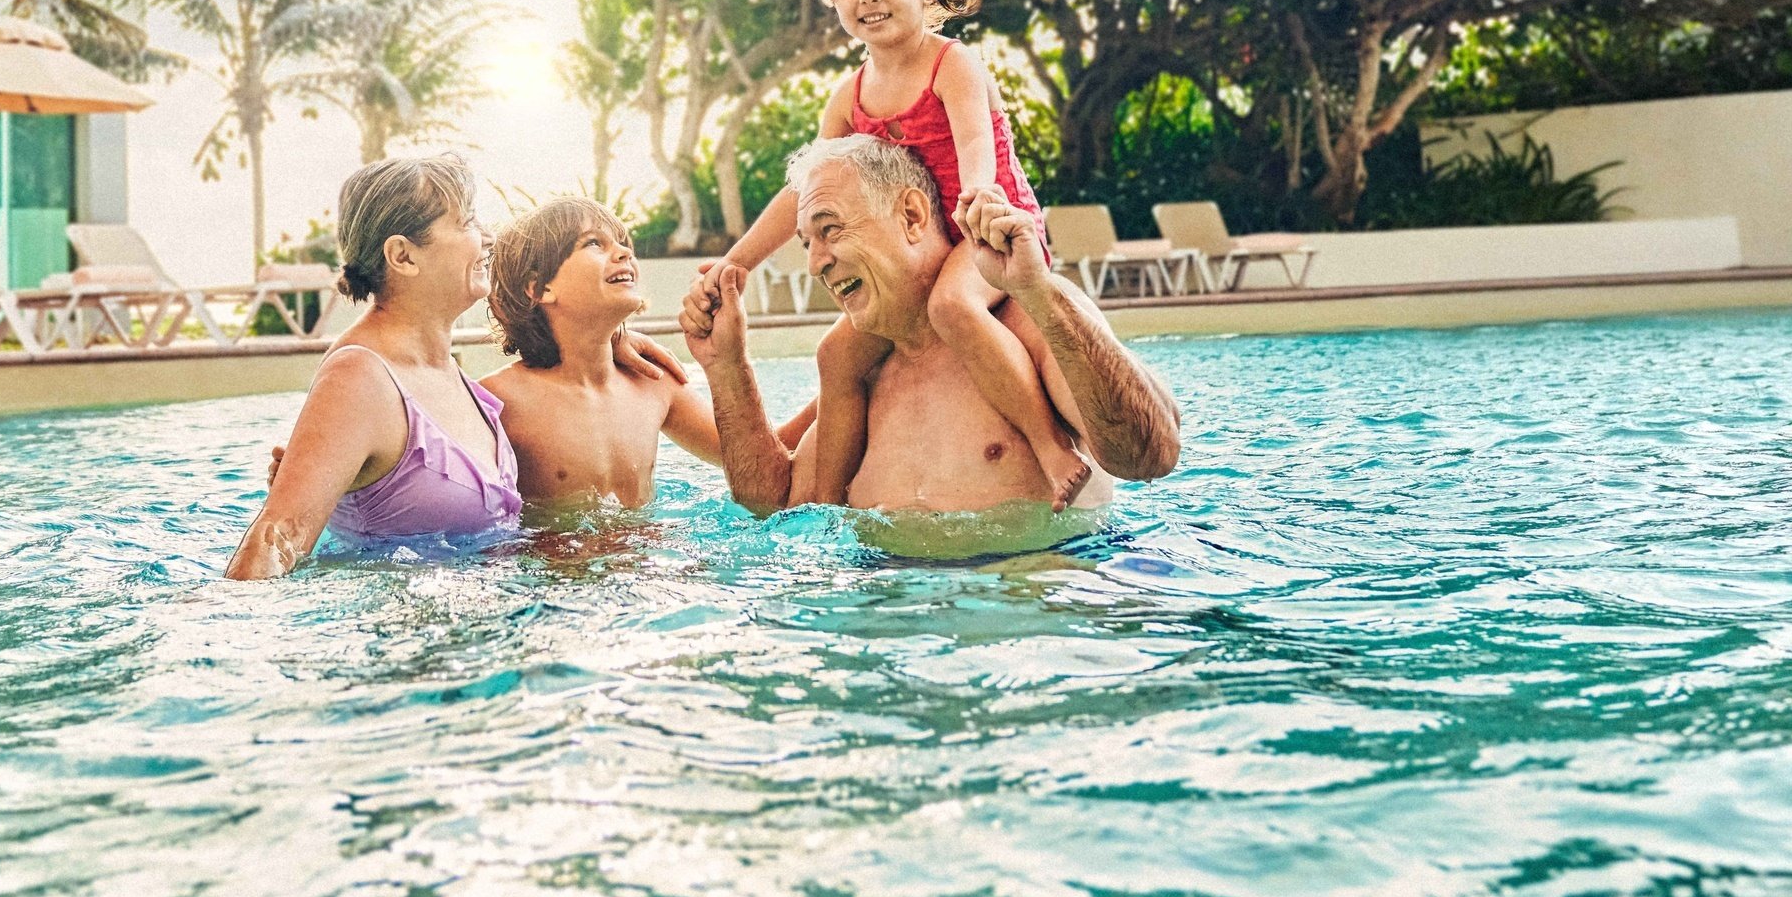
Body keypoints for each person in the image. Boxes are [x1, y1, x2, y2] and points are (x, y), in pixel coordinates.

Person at [719, 0, 1088, 509]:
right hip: (919, 248)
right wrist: (736, 261)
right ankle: (823, 505)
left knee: (952, 306)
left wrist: (980, 197)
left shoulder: (953, 63)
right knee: (836, 354)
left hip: (984, 233)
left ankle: (1049, 445)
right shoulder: (850, 93)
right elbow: (804, 190)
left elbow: (975, 141)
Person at [682, 136, 1181, 522]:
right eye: (806, 243)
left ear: (912, 215)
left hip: (1033, 618)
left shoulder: (1027, 319)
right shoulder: (857, 371)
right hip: (885, 615)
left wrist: (1041, 295)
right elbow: (780, 509)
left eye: (831, 230)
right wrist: (727, 368)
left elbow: (1150, 456)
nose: (815, 264)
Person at [224, 154, 522, 578]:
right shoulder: (360, 376)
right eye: (467, 223)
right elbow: (279, 536)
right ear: (402, 256)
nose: (488, 238)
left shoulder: (454, 378)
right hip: (405, 637)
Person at [481, 196, 723, 514]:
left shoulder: (652, 382)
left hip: (651, 561)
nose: (625, 252)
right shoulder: (496, 402)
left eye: (622, 242)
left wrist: (728, 363)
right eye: (594, 243)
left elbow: (756, 460)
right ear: (539, 288)